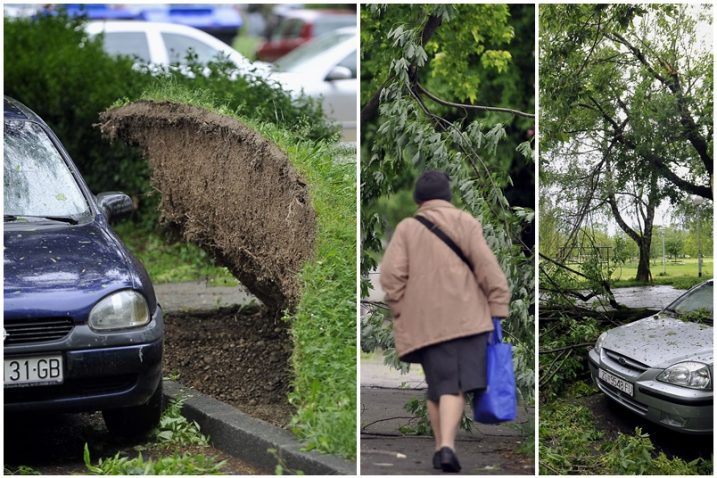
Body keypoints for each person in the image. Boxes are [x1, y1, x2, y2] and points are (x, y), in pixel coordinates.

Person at [380, 170, 510, 473]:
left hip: (424, 322)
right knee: (455, 385)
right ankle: (447, 447)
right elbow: (487, 268)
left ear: (418, 199)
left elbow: (390, 276)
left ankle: (441, 447)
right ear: (448, 195)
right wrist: (498, 304)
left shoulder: (407, 229)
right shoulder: (466, 222)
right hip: (468, 318)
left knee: (437, 385)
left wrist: (401, 308)